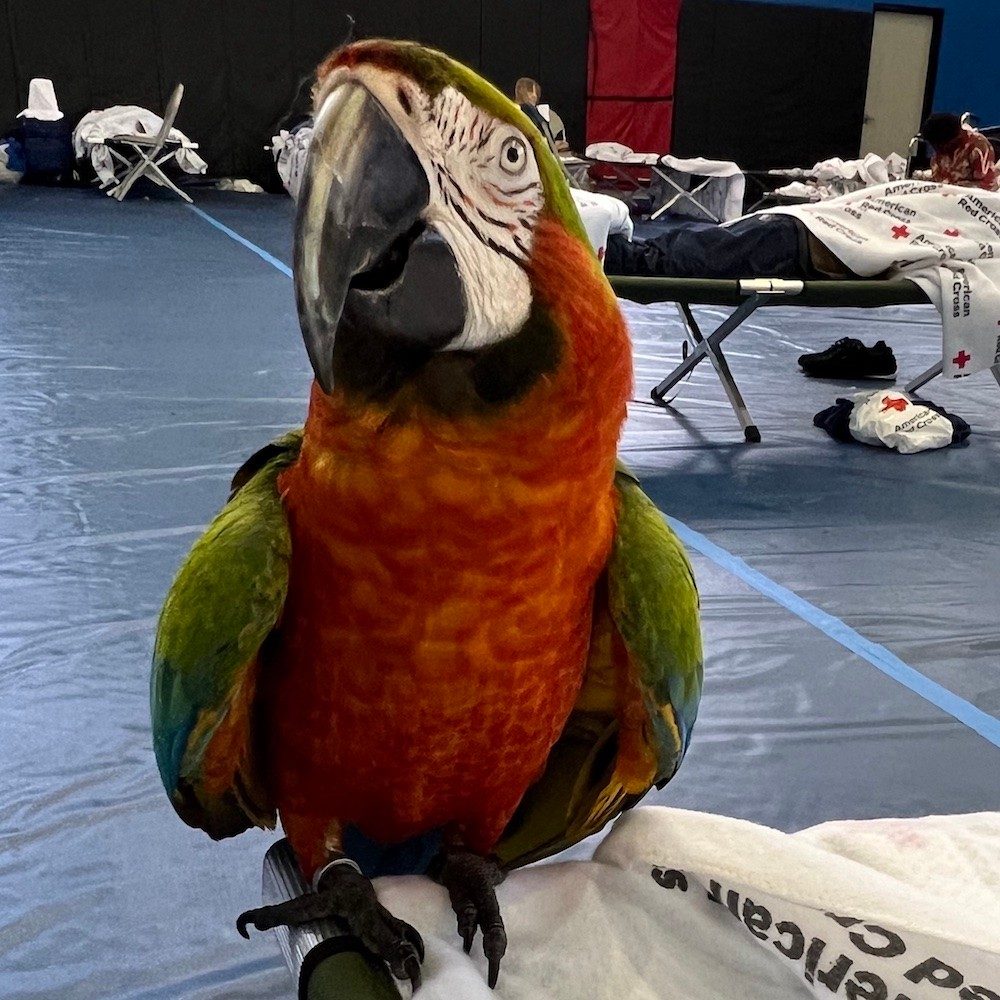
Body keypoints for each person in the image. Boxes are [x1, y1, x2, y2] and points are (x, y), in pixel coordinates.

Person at [920, 112, 1000, 191]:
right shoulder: (941, 150)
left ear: (956, 137)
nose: (937, 149)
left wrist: (960, 188)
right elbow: (939, 179)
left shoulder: (977, 146)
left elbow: (989, 185)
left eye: (938, 145)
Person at [514, 77, 568, 153]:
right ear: (521, 91)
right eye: (531, 92)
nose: (534, 96)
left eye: (536, 92)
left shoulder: (530, 112)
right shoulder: (526, 111)